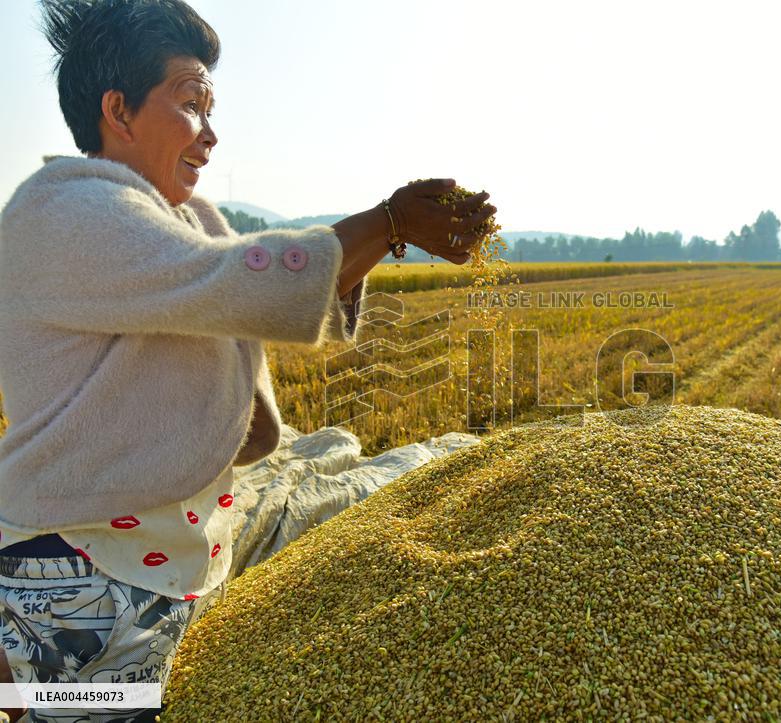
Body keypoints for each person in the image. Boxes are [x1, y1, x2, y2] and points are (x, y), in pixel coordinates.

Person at [0, 1, 497, 720]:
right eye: (191, 104)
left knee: (362, 470)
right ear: (119, 110)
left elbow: (242, 289)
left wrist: (377, 240)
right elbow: (239, 280)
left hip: (178, 540)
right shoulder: (63, 213)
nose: (210, 134)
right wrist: (388, 221)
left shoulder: (180, 220)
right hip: (86, 575)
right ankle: (31, 681)